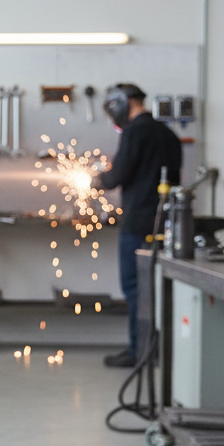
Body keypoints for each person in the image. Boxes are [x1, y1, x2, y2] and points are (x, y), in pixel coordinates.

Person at [93, 83, 182, 368]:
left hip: (137, 222)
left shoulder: (135, 132)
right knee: (155, 288)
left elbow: (119, 174)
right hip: (165, 222)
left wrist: (98, 180)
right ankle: (157, 347)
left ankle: (138, 350)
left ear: (120, 104)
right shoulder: (167, 133)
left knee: (134, 288)